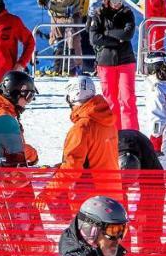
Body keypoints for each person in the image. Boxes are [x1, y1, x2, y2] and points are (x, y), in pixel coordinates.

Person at [37, 75, 121, 216]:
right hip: (113, 196)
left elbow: (72, 169)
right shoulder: (108, 122)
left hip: (90, 202)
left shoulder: (82, 128)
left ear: (72, 98)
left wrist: (47, 193)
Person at [88, 0, 138, 131]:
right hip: (106, 62)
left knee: (128, 99)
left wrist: (107, 33)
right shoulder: (98, 14)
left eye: (121, 0)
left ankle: (131, 134)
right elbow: (94, 38)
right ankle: (113, 133)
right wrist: (117, 38)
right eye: (115, 0)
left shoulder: (127, 13)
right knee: (110, 101)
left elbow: (128, 34)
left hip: (125, 61)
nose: (118, 4)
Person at [37, 0, 90, 76]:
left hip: (73, 13)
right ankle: (58, 68)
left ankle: (76, 68)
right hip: (56, 15)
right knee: (56, 41)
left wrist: (84, 2)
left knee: (74, 41)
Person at [0, 70, 40, 166]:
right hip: (5, 175)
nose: (28, 102)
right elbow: (13, 151)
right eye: (29, 96)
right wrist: (32, 154)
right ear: (16, 94)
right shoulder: (4, 117)